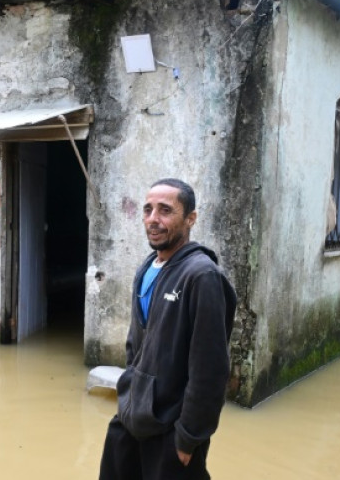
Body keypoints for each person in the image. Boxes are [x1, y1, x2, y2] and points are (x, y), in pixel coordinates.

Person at [99, 178, 237, 480]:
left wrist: (189, 436)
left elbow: (210, 369)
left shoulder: (201, 276)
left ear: (191, 218)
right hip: (132, 417)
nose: (153, 219)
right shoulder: (147, 267)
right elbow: (135, 346)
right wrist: (127, 399)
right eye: (148, 210)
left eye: (165, 210)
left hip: (172, 429)